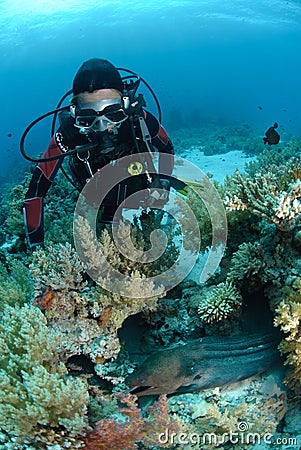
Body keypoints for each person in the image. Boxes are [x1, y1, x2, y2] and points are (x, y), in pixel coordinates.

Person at [23, 58, 174, 248]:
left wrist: (163, 182)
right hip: (99, 198)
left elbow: (167, 148)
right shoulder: (68, 134)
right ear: (75, 112)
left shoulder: (139, 120)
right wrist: (36, 246)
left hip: (141, 190)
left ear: (126, 104)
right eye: (88, 118)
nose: (104, 127)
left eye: (113, 113)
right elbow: (37, 189)